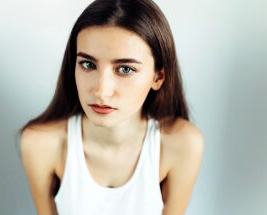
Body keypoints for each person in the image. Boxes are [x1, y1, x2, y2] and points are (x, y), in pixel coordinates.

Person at [19, 0, 204, 214]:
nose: (101, 90)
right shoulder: (40, 143)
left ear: (158, 77)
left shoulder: (182, 144)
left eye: (125, 69)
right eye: (88, 64)